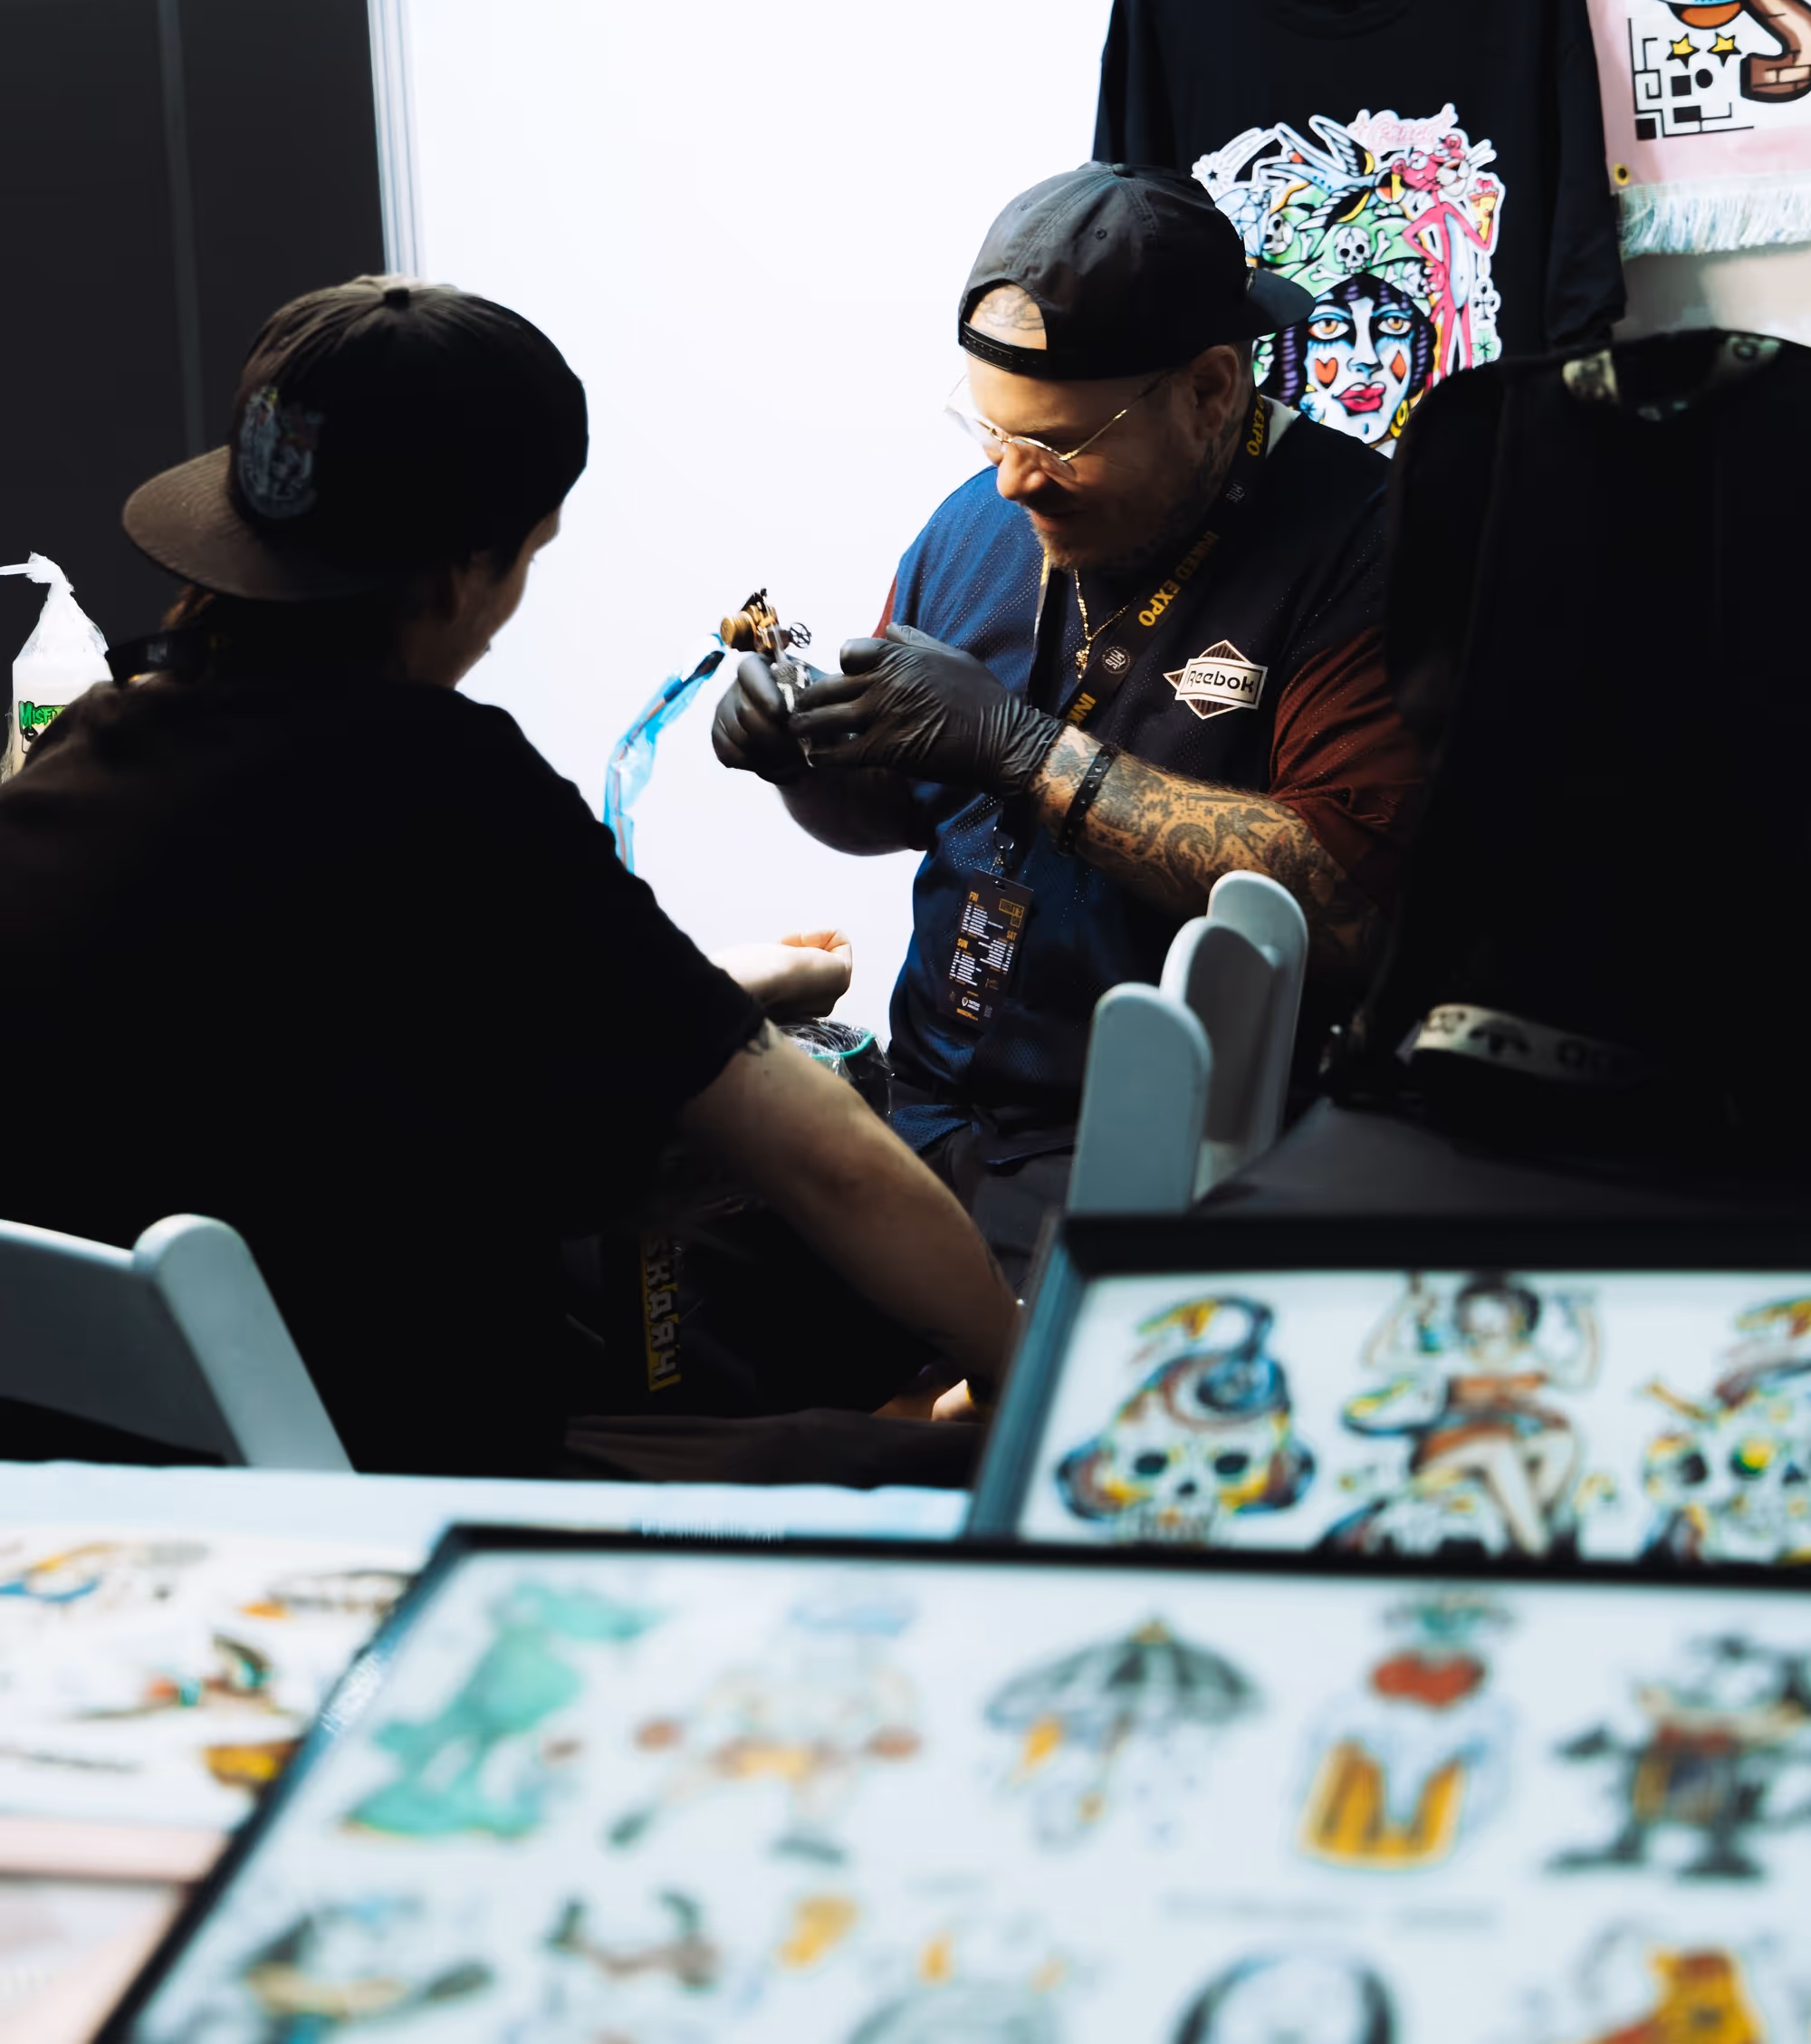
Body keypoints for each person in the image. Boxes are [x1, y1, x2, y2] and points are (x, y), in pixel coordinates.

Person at [0, 278, 1017, 1475]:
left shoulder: (89, 744)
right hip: (382, 1490)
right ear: (459, 570)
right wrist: (1024, 1371)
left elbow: (303, 1013)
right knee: (948, 1463)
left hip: (93, 1476)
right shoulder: (449, 780)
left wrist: (711, 988)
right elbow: (828, 1157)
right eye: (526, 560)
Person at [714, 164, 1425, 1264]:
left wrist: (1026, 748)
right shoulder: (978, 521)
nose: (1013, 482)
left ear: (1209, 389)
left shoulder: (1361, 544)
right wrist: (801, 760)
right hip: (926, 1104)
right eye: (990, 433)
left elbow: (1343, 911)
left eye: (1059, 444)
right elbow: (898, 814)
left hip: (1161, 1153)